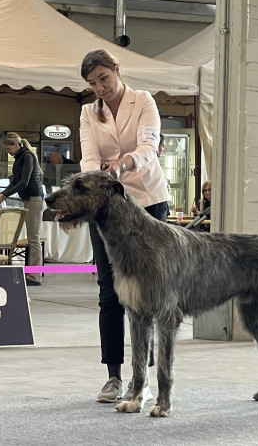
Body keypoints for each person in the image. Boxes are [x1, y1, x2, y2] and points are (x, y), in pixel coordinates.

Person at [79, 49, 169, 403]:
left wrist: (122, 165)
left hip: (148, 201)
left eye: (104, 78)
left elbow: (150, 147)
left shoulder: (144, 100)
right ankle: (113, 376)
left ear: (117, 71)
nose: (100, 88)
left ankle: (142, 376)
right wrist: (94, 180)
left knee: (145, 291)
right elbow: (89, 156)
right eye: (92, 83)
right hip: (104, 206)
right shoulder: (88, 112)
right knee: (110, 290)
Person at [0, 132, 44, 286]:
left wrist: (4, 195)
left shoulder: (27, 156)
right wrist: (3, 193)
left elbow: (24, 182)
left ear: (16, 145)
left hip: (34, 198)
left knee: (33, 237)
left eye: (9, 149)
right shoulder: (19, 158)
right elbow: (15, 181)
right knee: (32, 236)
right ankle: (30, 273)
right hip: (27, 199)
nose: (8, 152)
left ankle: (34, 276)